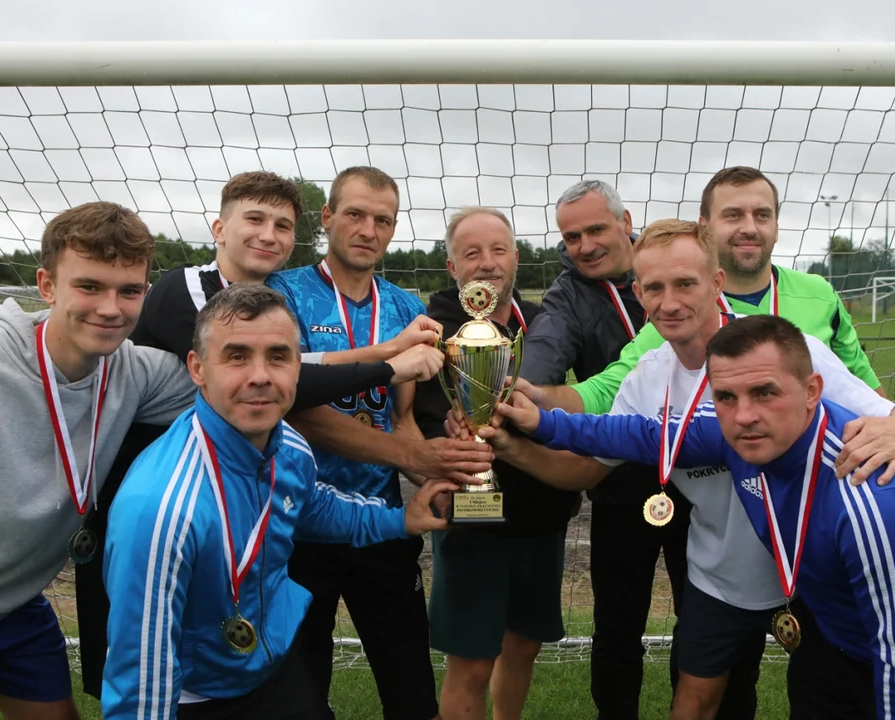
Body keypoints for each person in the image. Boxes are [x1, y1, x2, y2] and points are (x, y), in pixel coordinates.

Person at [471, 219, 895, 720]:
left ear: (716, 283)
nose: (670, 303)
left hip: (810, 571)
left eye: (685, 284)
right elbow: (586, 470)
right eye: (654, 288)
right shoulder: (647, 378)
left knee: (828, 699)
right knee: (693, 703)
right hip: (719, 576)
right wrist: (508, 448)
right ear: (639, 294)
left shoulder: (784, 352)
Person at [502, 314, 895, 720]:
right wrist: (540, 421)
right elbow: (637, 434)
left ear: (812, 391)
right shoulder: (734, 433)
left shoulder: (871, 498)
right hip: (835, 639)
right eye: (726, 397)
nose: (744, 415)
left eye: (765, 392)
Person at [75, 171, 445, 699]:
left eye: (282, 225)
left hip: (285, 501)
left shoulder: (281, 304)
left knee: (271, 671)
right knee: (154, 662)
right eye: (254, 219)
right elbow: (290, 386)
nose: (268, 235)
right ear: (218, 228)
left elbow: (292, 371)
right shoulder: (191, 290)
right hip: (151, 501)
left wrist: (436, 460)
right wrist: (388, 361)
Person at [101, 283, 456, 719]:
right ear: (197, 368)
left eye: (278, 357)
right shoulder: (161, 510)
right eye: (236, 356)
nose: (260, 376)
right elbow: (140, 686)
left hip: (275, 668)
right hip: (198, 697)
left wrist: (400, 520)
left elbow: (313, 507)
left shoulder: (287, 443)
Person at [0, 202, 197, 720]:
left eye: (128, 291)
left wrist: (370, 362)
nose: (110, 308)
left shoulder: (134, 371)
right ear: (47, 285)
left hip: (13, 604)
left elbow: (247, 380)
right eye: (90, 286)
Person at [269, 167, 493, 720]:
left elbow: (403, 420)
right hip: (299, 525)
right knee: (300, 696)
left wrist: (446, 478)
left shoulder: (404, 307)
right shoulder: (283, 293)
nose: (368, 230)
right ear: (327, 218)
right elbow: (297, 409)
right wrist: (412, 455)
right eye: (355, 214)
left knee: (412, 692)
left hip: (383, 522)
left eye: (383, 220)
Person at [519, 180, 691, 718]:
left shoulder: (672, 263)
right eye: (571, 237)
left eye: (596, 229)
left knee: (705, 619)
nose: (585, 245)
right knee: (617, 625)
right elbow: (544, 353)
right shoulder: (567, 295)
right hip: (617, 477)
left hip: (702, 474)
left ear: (626, 222)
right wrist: (521, 391)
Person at [524, 166, 883, 416]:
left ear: (776, 225)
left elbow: (868, 391)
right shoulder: (679, 316)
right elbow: (606, 390)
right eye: (733, 215)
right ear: (705, 226)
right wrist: (532, 396)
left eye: (762, 215)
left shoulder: (820, 293)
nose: (749, 228)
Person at [411, 207, 578, 720]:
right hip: (473, 519)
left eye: (498, 250)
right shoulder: (432, 329)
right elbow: (418, 419)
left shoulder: (541, 323)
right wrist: (447, 443)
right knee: (472, 662)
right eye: (472, 253)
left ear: (516, 257)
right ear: (451, 266)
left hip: (541, 513)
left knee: (523, 644)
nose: (487, 263)